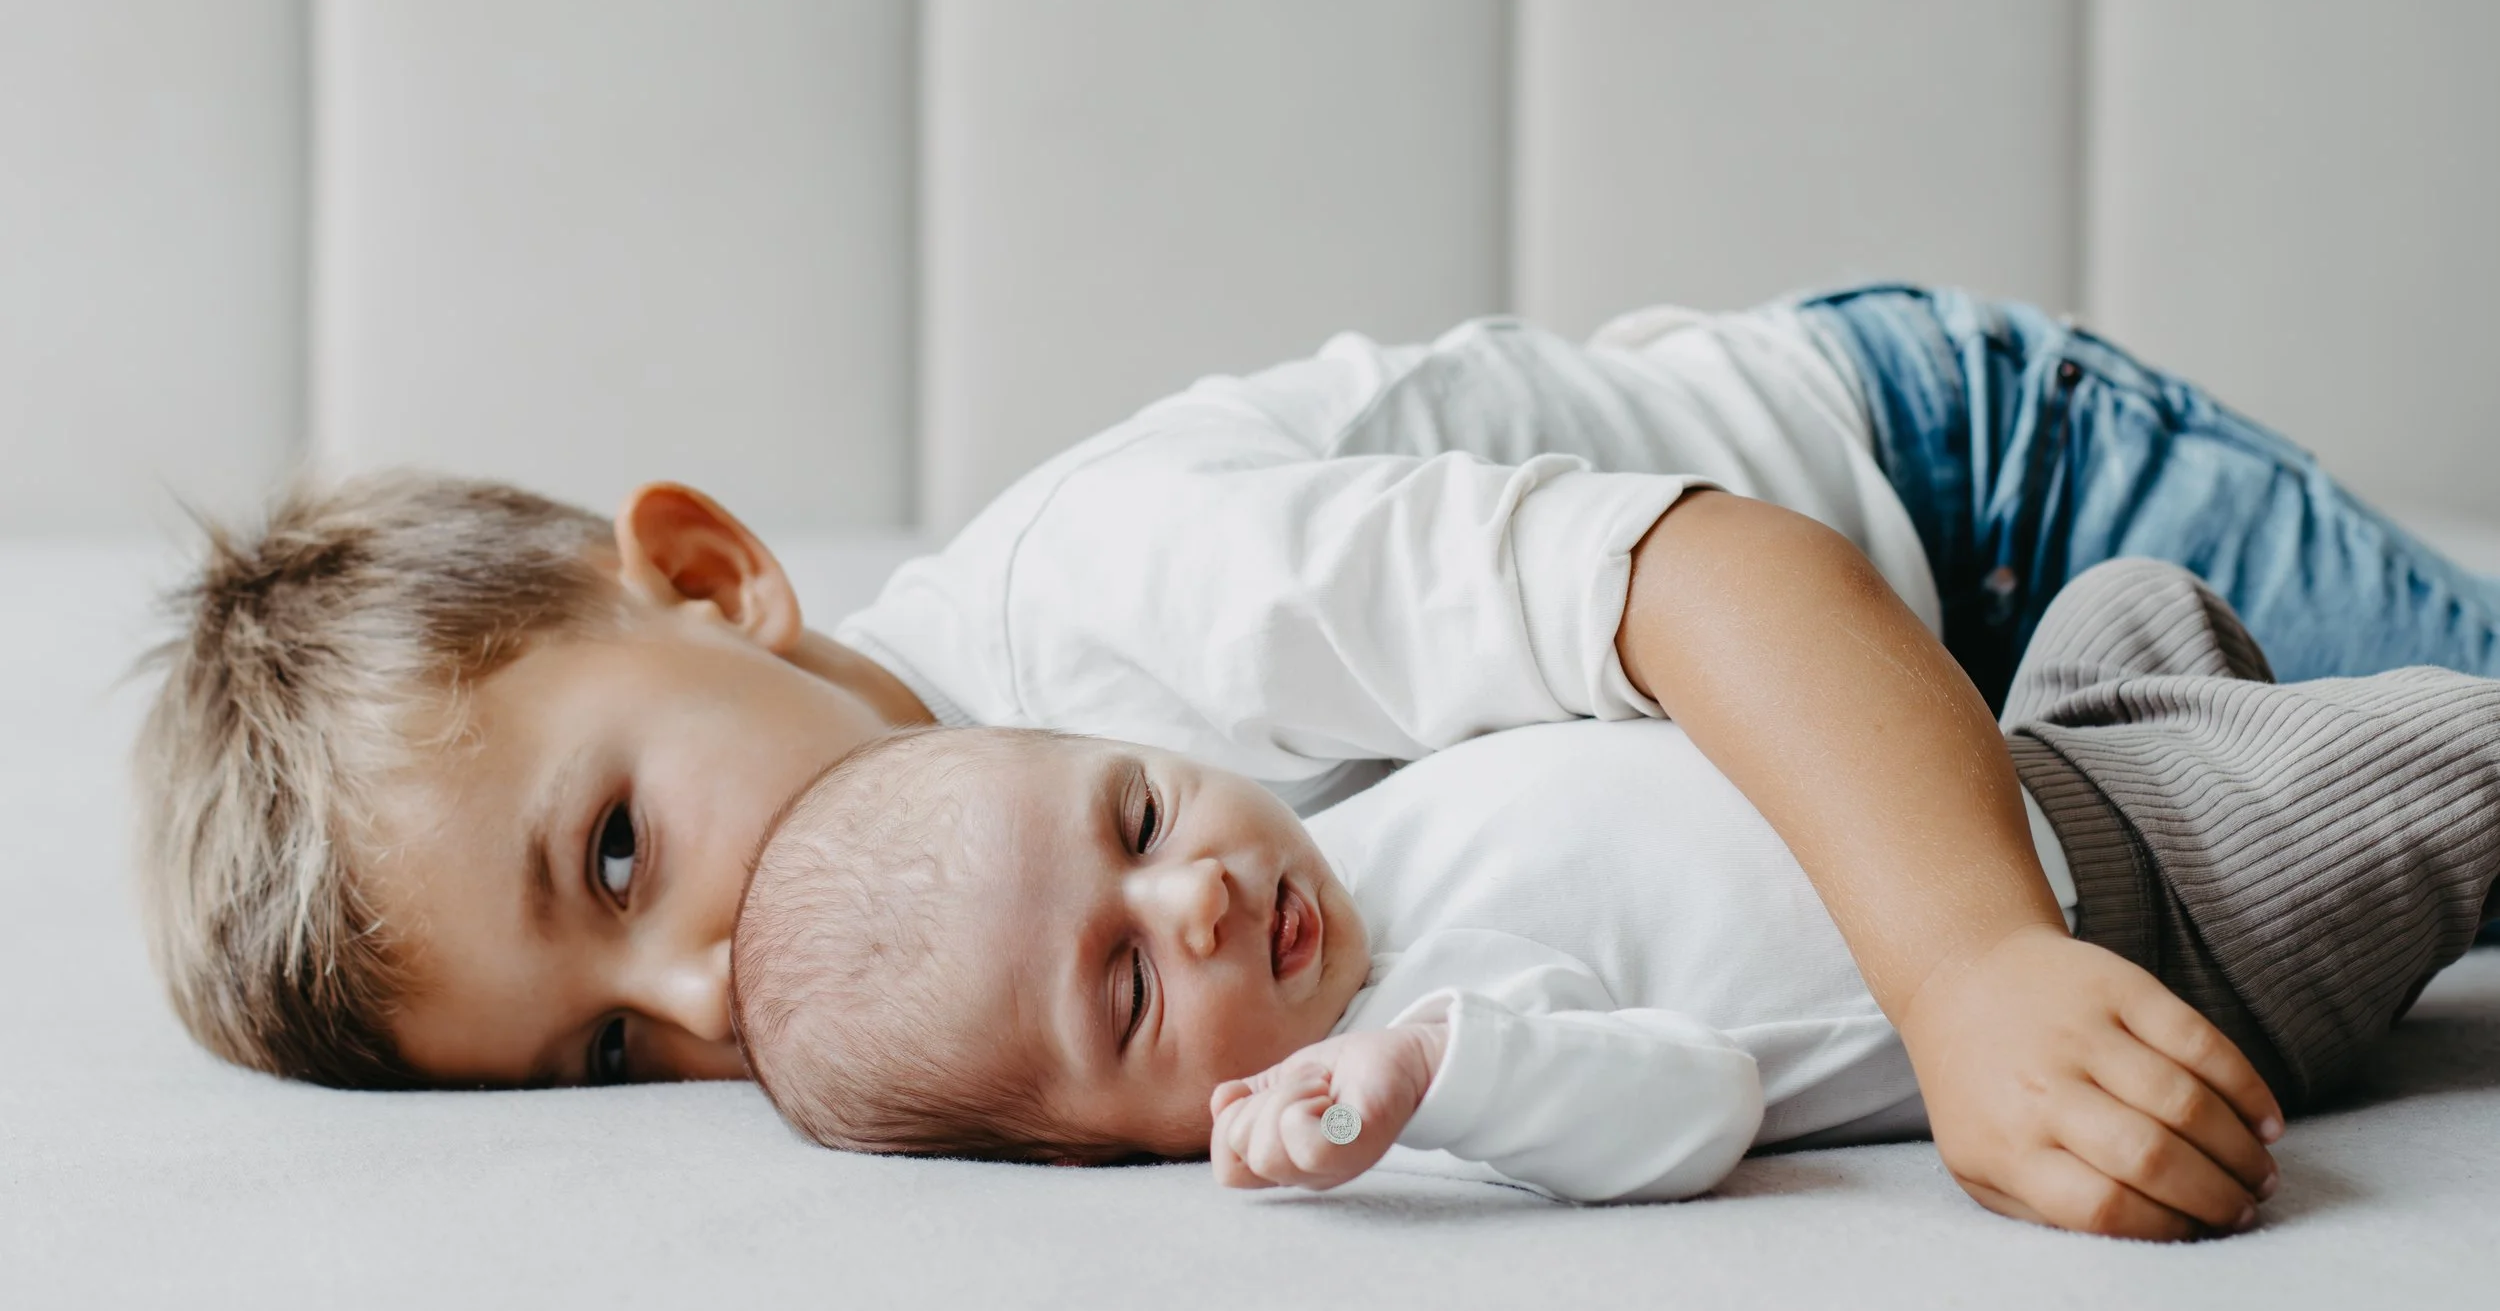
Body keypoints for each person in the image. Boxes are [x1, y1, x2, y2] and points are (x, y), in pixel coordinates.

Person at [129, 284, 2500, 1237]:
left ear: (720, 575)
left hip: (1966, 505)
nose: (702, 985)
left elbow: (1722, 576)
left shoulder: (1124, 594)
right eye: (594, 1054)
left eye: (619, 845)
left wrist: (1970, 964)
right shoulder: (935, 990)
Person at [731, 559, 2500, 1236]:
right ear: (1115, 1143)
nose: (1191, 897)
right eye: (1124, 990)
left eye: (1135, 810)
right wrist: (1438, 1081)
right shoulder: (1420, 1047)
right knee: (2449, 757)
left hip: (2020, 766)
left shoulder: (1353, 833)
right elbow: (1697, 1098)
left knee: (2137, 597)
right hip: (2148, 915)